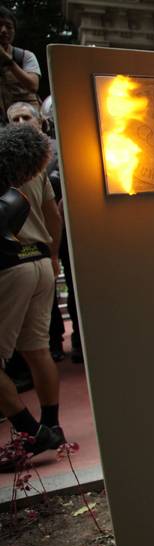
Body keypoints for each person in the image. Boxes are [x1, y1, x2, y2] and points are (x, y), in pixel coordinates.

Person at [0, 121, 64, 471]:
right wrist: (53, 255)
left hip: (9, 265)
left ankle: (30, 431)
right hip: (39, 261)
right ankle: (52, 426)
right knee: (37, 350)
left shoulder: (5, 168)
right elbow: (53, 215)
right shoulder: (33, 169)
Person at [0, 7, 41, 125]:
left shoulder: (25, 56)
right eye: (0, 25)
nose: (3, 30)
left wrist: (9, 62)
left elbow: (33, 85)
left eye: (8, 26)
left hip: (26, 120)